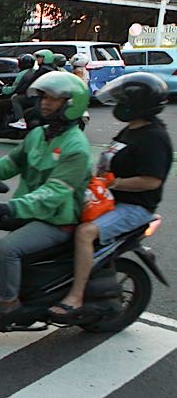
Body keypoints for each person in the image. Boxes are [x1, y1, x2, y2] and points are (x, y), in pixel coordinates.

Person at [0, 71, 92, 320]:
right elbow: (10, 164)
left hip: (56, 220)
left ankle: (9, 303)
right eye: (43, 97)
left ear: (70, 103)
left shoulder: (76, 147)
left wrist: (11, 208)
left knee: (6, 248)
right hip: (29, 209)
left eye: (53, 99)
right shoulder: (39, 134)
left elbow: (53, 193)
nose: (44, 102)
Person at [50, 73, 172, 319]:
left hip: (134, 207)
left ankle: (75, 295)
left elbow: (152, 180)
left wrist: (114, 182)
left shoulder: (154, 138)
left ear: (138, 104)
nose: (118, 105)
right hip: (107, 199)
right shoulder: (131, 130)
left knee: (86, 233)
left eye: (123, 100)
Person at [4, 53, 38, 130]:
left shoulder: (22, 74)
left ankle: (21, 121)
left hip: (30, 97)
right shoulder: (35, 71)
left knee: (15, 99)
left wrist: (1, 89)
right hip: (36, 95)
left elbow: (13, 89)